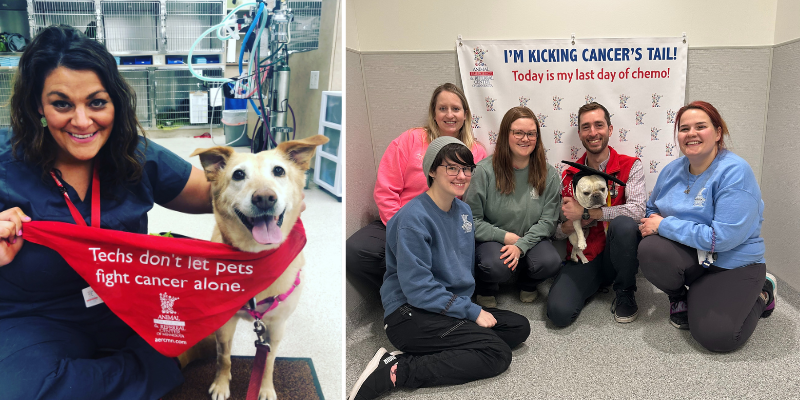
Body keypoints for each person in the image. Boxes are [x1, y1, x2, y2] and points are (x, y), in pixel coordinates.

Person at [0, 25, 214, 400]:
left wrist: (275, 192)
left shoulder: (135, 154)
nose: (82, 122)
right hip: (39, 317)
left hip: (128, 306)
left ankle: (110, 372)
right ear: (38, 104)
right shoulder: (5, 163)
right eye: (62, 103)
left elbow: (217, 194)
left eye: (97, 102)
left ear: (115, 102)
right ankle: (170, 362)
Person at [347, 137, 530, 400]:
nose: (461, 175)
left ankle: (434, 346)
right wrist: (469, 311)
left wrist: (465, 308)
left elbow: (460, 270)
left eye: (467, 168)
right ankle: (397, 369)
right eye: (452, 168)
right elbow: (418, 290)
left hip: (445, 307)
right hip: (408, 313)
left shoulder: (464, 212)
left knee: (518, 327)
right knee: (497, 354)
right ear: (432, 170)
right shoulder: (413, 218)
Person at [637, 101, 775, 352]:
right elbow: (651, 211)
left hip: (732, 263)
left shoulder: (734, 172)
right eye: (684, 128)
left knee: (718, 337)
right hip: (696, 257)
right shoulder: (671, 171)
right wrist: (659, 223)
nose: (691, 133)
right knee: (650, 249)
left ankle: (763, 293)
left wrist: (666, 225)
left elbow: (721, 239)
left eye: (701, 126)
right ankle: (680, 296)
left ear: (718, 132)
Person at [345, 83, 487, 291]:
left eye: (456, 109)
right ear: (433, 112)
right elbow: (386, 190)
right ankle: (399, 296)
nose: (449, 115)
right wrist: (400, 230)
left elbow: (473, 201)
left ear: (465, 114)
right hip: (401, 219)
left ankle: (427, 297)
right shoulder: (410, 140)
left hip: (446, 225)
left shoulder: (476, 151)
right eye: (442, 108)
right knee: (356, 250)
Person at [546, 102, 646, 326]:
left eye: (599, 125)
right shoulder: (568, 176)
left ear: (610, 130)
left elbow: (639, 211)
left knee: (624, 224)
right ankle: (593, 282)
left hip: (618, 255)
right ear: (579, 133)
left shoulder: (631, 166)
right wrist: (569, 226)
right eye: (586, 127)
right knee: (558, 313)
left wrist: (590, 213)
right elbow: (553, 230)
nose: (593, 133)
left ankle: (625, 290)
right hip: (584, 256)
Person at [463, 106, 561, 308]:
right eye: (518, 132)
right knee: (494, 266)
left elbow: (548, 222)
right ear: (506, 134)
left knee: (551, 261)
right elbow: (471, 221)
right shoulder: (483, 171)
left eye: (531, 134)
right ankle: (486, 287)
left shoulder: (549, 174)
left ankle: (527, 281)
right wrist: (505, 237)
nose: (525, 139)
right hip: (493, 240)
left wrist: (520, 245)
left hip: (531, 239)